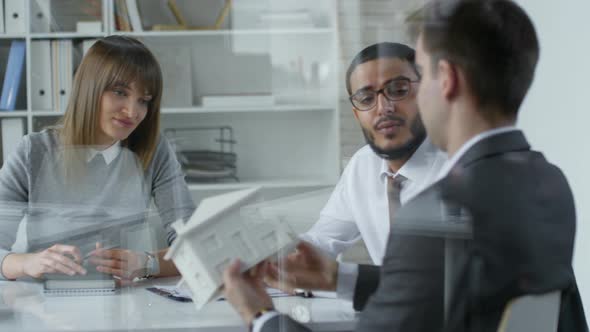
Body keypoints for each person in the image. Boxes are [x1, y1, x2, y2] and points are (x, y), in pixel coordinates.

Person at [222, 1, 588, 331]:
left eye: (421, 76)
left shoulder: (439, 213)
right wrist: (340, 278)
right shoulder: (550, 183)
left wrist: (260, 316)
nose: (386, 106)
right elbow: (454, 291)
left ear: (447, 80)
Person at [0, 36, 196, 283]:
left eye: (143, 100)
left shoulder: (154, 150)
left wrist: (147, 263)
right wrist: (28, 262)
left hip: (121, 303)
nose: (133, 112)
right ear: (89, 88)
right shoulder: (33, 151)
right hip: (41, 303)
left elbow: (194, 246)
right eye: (119, 92)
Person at [302, 42, 446, 266]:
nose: (383, 108)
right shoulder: (363, 165)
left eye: (399, 90)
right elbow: (322, 241)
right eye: (366, 99)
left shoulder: (459, 167)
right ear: (357, 114)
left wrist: (341, 280)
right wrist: (269, 262)